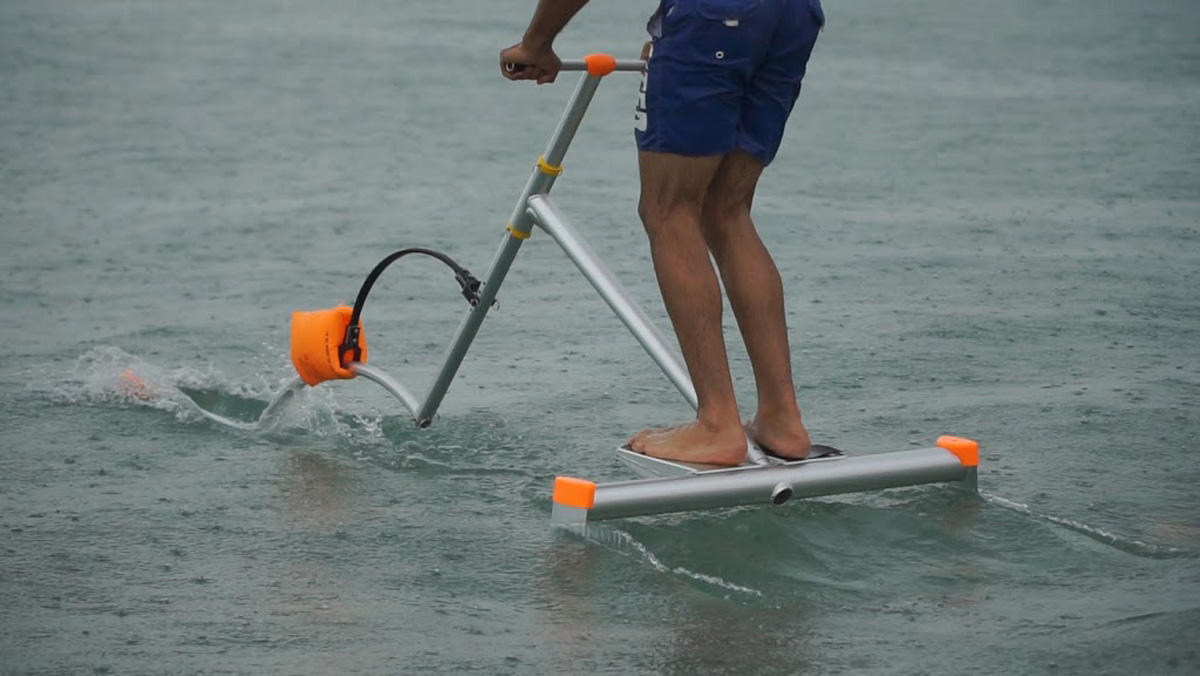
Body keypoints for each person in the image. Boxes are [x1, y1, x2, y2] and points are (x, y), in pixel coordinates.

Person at [501, 0, 824, 466]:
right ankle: (782, 419)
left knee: (668, 211)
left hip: (714, 17)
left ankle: (717, 425)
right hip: (793, 14)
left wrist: (537, 43)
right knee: (727, 210)